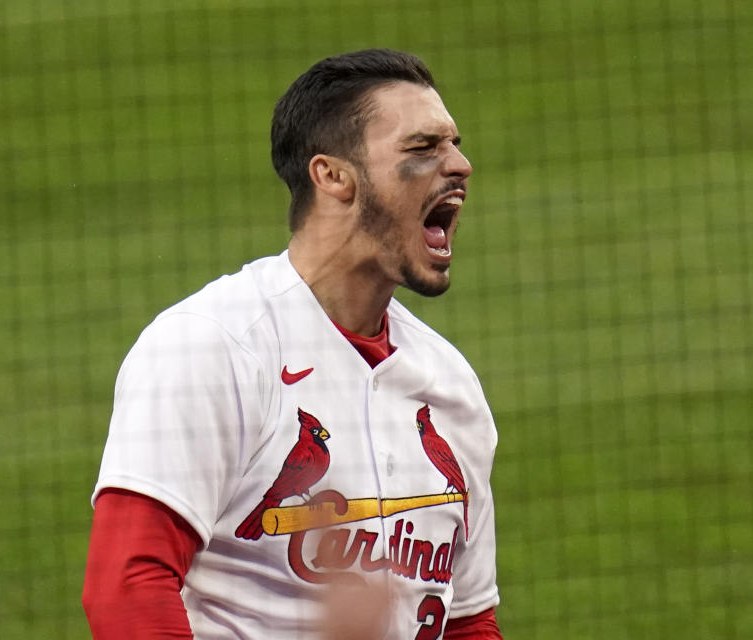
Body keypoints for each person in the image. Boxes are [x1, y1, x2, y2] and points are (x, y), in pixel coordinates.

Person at [82, 49, 502, 639]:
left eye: (454, 143)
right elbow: (128, 586)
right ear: (332, 175)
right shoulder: (213, 347)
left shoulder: (449, 386)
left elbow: (466, 623)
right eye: (422, 148)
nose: (460, 164)